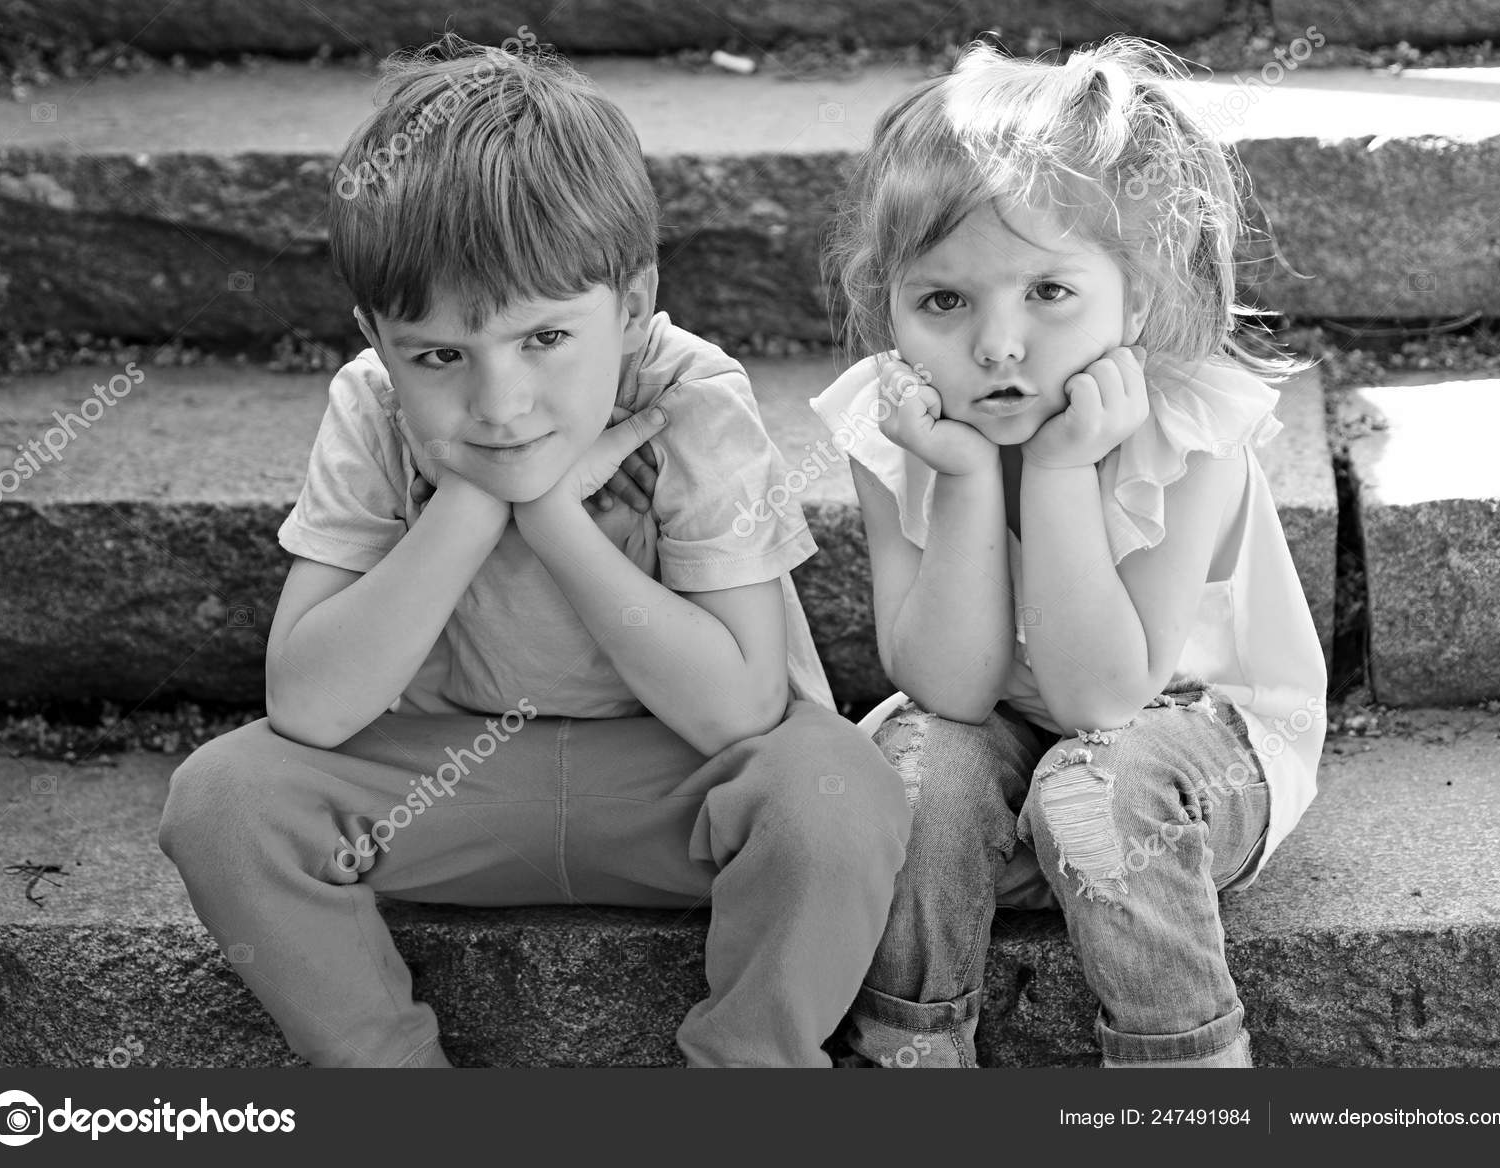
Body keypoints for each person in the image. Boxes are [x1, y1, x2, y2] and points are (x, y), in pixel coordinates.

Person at [158, 37, 909, 1068]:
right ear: (377, 338)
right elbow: (312, 705)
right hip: (438, 787)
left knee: (840, 792)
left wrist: (551, 516)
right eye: (439, 356)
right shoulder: (372, 407)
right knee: (223, 800)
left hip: (679, 791)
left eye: (545, 340)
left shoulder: (690, 398)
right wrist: (474, 500)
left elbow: (738, 710)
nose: (499, 403)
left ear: (633, 305)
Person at [813, 36, 1326, 1068]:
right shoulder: (897, 424)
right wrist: (962, 481)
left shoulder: (1188, 429)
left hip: (1190, 740)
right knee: (914, 772)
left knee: (1093, 787)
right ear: (891, 309)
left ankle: (1181, 1072)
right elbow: (948, 688)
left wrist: (1054, 476)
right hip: (1000, 728)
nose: (998, 345)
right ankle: (908, 1054)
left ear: (1134, 298)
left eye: (1048, 293)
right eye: (944, 301)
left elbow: (1102, 698)